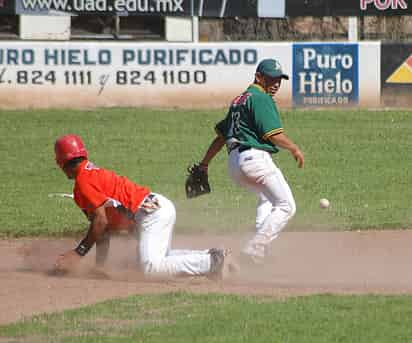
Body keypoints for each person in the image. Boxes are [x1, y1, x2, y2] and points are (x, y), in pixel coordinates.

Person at [53, 134, 230, 280]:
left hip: (151, 214)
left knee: (151, 268)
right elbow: (102, 229)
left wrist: (79, 252)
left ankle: (213, 262)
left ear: (61, 162)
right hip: (155, 207)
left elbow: (100, 221)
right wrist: (100, 266)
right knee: (157, 260)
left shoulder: (83, 182)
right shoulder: (91, 175)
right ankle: (211, 255)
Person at [197, 58, 304, 264]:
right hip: (255, 159)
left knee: (266, 198)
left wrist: (204, 163)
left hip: (235, 164)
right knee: (286, 206)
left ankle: (259, 249)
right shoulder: (260, 98)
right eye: (272, 79)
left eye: (279, 80)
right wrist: (294, 148)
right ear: (259, 77)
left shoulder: (239, 100)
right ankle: (255, 248)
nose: (276, 84)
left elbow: (222, 137)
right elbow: (274, 135)